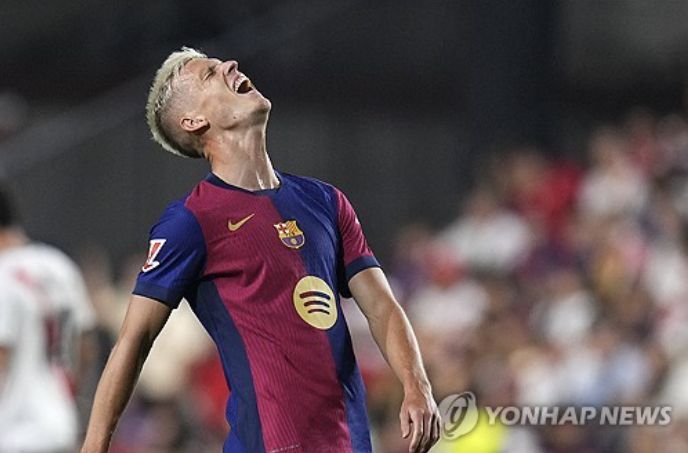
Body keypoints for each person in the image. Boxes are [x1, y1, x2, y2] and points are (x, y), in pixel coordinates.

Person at [82, 47, 440, 453]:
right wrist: (94, 447)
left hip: (350, 443)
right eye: (210, 74)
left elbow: (381, 306)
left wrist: (417, 385)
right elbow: (134, 340)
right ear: (194, 121)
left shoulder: (326, 202)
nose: (230, 65)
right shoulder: (191, 221)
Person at [0, 184, 96, 452]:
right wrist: (65, 394)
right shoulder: (60, 265)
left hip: (16, 431)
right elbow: (86, 348)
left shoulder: (3, 274)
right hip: (61, 424)